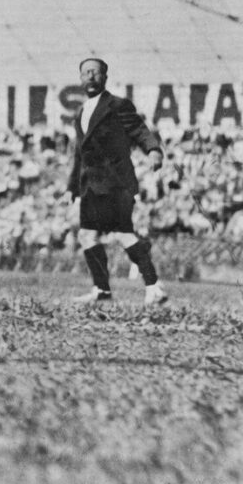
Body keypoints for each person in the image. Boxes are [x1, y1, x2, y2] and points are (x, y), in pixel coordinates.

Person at [66, 58, 168, 306]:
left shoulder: (117, 105)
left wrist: (153, 150)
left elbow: (139, 130)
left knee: (123, 234)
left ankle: (154, 286)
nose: (90, 76)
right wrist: (72, 187)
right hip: (91, 185)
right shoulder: (80, 112)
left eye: (95, 72)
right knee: (87, 236)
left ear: (104, 78)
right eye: (85, 72)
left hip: (115, 182)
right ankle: (102, 290)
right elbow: (80, 153)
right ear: (80, 78)